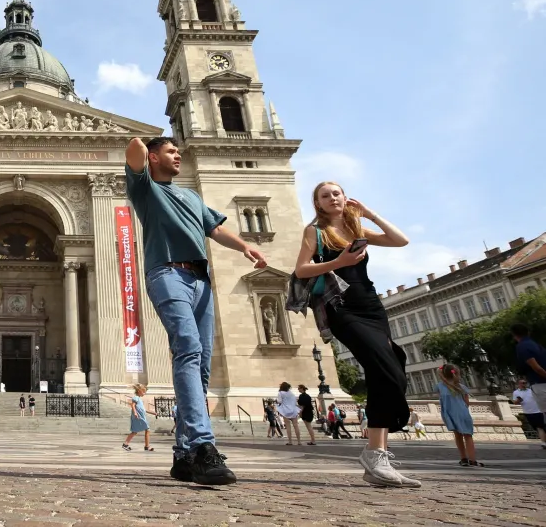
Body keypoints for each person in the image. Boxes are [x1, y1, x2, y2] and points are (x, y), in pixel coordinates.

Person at [125, 136, 267, 485]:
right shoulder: (145, 188)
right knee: (187, 348)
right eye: (172, 152)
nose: (179, 156)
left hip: (200, 279)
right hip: (167, 272)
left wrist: (245, 246)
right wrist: (138, 138)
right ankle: (204, 447)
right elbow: (132, 150)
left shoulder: (191, 195)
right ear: (154, 158)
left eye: (179, 152)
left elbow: (215, 229)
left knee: (201, 363)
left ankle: (184, 454)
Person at [293, 182, 419, 488]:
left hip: (371, 306)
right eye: (326, 196)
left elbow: (400, 240)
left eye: (337, 193)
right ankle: (375, 455)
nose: (333, 198)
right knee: (387, 370)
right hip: (342, 308)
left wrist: (369, 214)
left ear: (345, 198)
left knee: (388, 373)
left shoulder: (356, 229)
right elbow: (300, 270)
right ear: (318, 204)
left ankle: (377, 455)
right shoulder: (316, 232)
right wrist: (339, 262)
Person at [437, 363, 482, 467]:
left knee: (458, 436)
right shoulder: (462, 387)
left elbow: (441, 400)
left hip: (450, 414)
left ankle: (463, 458)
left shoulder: (439, 386)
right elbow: (467, 402)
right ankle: (473, 460)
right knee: (468, 436)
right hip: (463, 413)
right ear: (456, 373)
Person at [511, 324, 546, 415]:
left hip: (540, 384)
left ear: (514, 335)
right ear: (528, 333)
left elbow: (536, 367)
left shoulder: (522, 346)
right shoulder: (536, 345)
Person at [512, 378, 546, 449]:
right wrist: (518, 400)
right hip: (528, 412)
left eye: (525, 383)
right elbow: (515, 402)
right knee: (537, 427)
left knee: (541, 427)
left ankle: (543, 442)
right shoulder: (516, 392)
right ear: (519, 384)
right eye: (523, 383)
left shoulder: (531, 390)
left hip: (538, 411)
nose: (524, 384)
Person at [123, 383, 155, 451]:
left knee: (135, 432)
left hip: (141, 417)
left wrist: (152, 412)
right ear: (139, 391)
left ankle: (126, 444)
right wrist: (135, 413)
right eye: (144, 391)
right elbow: (133, 405)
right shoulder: (136, 398)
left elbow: (143, 410)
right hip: (138, 417)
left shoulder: (139, 399)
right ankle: (147, 446)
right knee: (147, 430)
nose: (144, 393)